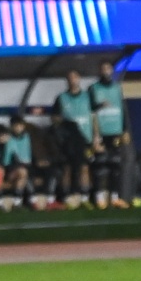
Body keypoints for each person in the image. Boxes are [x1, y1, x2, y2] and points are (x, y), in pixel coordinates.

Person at [89, 62, 130, 209]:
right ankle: (99, 198)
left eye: (108, 68)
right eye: (103, 68)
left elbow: (122, 109)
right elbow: (89, 110)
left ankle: (115, 198)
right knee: (100, 166)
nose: (106, 71)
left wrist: (125, 130)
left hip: (115, 132)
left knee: (116, 166)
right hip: (101, 133)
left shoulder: (117, 87)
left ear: (112, 70)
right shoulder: (93, 88)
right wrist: (94, 135)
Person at [53, 71, 95, 205]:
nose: (73, 80)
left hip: (85, 138)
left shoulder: (87, 97)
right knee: (67, 167)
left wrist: (96, 136)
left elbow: (94, 117)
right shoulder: (61, 98)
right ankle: (66, 196)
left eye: (75, 77)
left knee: (84, 167)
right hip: (68, 140)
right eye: (70, 78)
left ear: (79, 79)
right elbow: (55, 117)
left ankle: (84, 196)